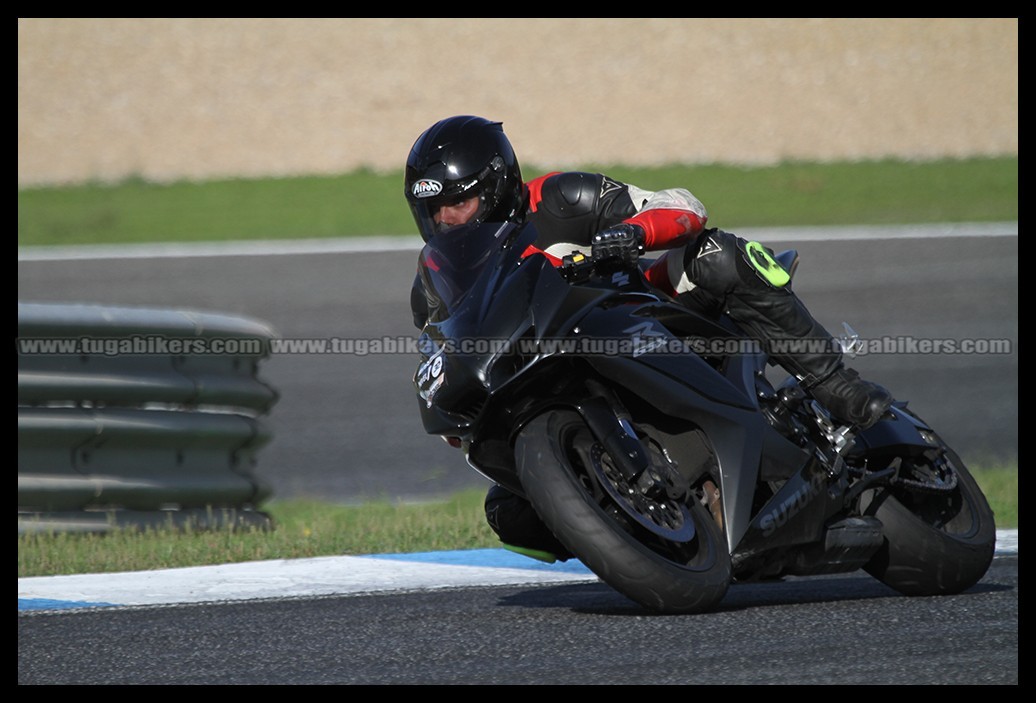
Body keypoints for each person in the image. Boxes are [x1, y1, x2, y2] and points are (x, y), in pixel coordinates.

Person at [404, 114, 893, 562]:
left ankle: (834, 382)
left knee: (714, 254)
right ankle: (644, 537)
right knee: (509, 513)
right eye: (433, 208)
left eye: (456, 202)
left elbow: (683, 206)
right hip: (552, 372)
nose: (445, 218)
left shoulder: (558, 198)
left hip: (647, 316)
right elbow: (440, 353)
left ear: (495, 186)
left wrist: (634, 233)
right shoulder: (435, 283)